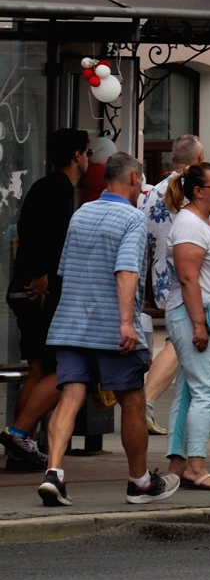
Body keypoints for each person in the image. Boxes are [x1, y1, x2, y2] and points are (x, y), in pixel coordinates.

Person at [38, 152, 179, 507]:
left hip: (71, 324)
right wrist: (126, 322)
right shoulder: (132, 219)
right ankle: (140, 482)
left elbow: (66, 270)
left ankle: (54, 473)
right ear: (133, 179)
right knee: (132, 401)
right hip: (110, 329)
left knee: (70, 397)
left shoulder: (80, 213)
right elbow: (127, 271)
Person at [1, 129, 90, 471]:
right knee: (62, 369)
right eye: (87, 151)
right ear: (76, 156)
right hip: (38, 291)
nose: (90, 158)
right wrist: (43, 276)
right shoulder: (57, 189)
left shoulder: (46, 187)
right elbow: (47, 236)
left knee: (39, 370)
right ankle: (20, 433)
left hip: (29, 288)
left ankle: (21, 448)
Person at [140, 135, 210, 436]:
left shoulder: (152, 193)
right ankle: (147, 402)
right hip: (196, 286)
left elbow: (144, 242)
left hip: (162, 279)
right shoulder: (203, 195)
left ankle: (192, 423)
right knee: (182, 346)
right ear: (199, 158)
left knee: (182, 349)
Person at [164, 162, 210, 491]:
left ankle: (178, 464)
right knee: (208, 390)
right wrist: (198, 326)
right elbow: (188, 277)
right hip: (195, 317)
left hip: (201, 317)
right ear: (198, 191)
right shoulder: (190, 225)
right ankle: (196, 464)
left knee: (190, 390)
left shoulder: (201, 223)